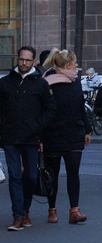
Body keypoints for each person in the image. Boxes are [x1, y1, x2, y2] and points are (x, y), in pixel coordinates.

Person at [0, 46, 55, 231]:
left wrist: (38, 126)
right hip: (9, 137)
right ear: (18, 59)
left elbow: (50, 109)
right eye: (21, 59)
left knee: (31, 175)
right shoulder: (6, 82)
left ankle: (25, 210)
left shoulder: (40, 84)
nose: (23, 63)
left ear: (33, 62)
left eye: (27, 60)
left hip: (31, 137)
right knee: (14, 175)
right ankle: (17, 215)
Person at [41, 49, 90, 225]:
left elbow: (80, 106)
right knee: (52, 175)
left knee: (73, 174)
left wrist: (87, 129)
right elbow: (42, 111)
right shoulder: (46, 83)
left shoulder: (75, 82)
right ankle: (52, 210)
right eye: (75, 63)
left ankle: (74, 211)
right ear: (67, 65)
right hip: (52, 135)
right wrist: (39, 137)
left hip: (74, 134)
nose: (77, 65)